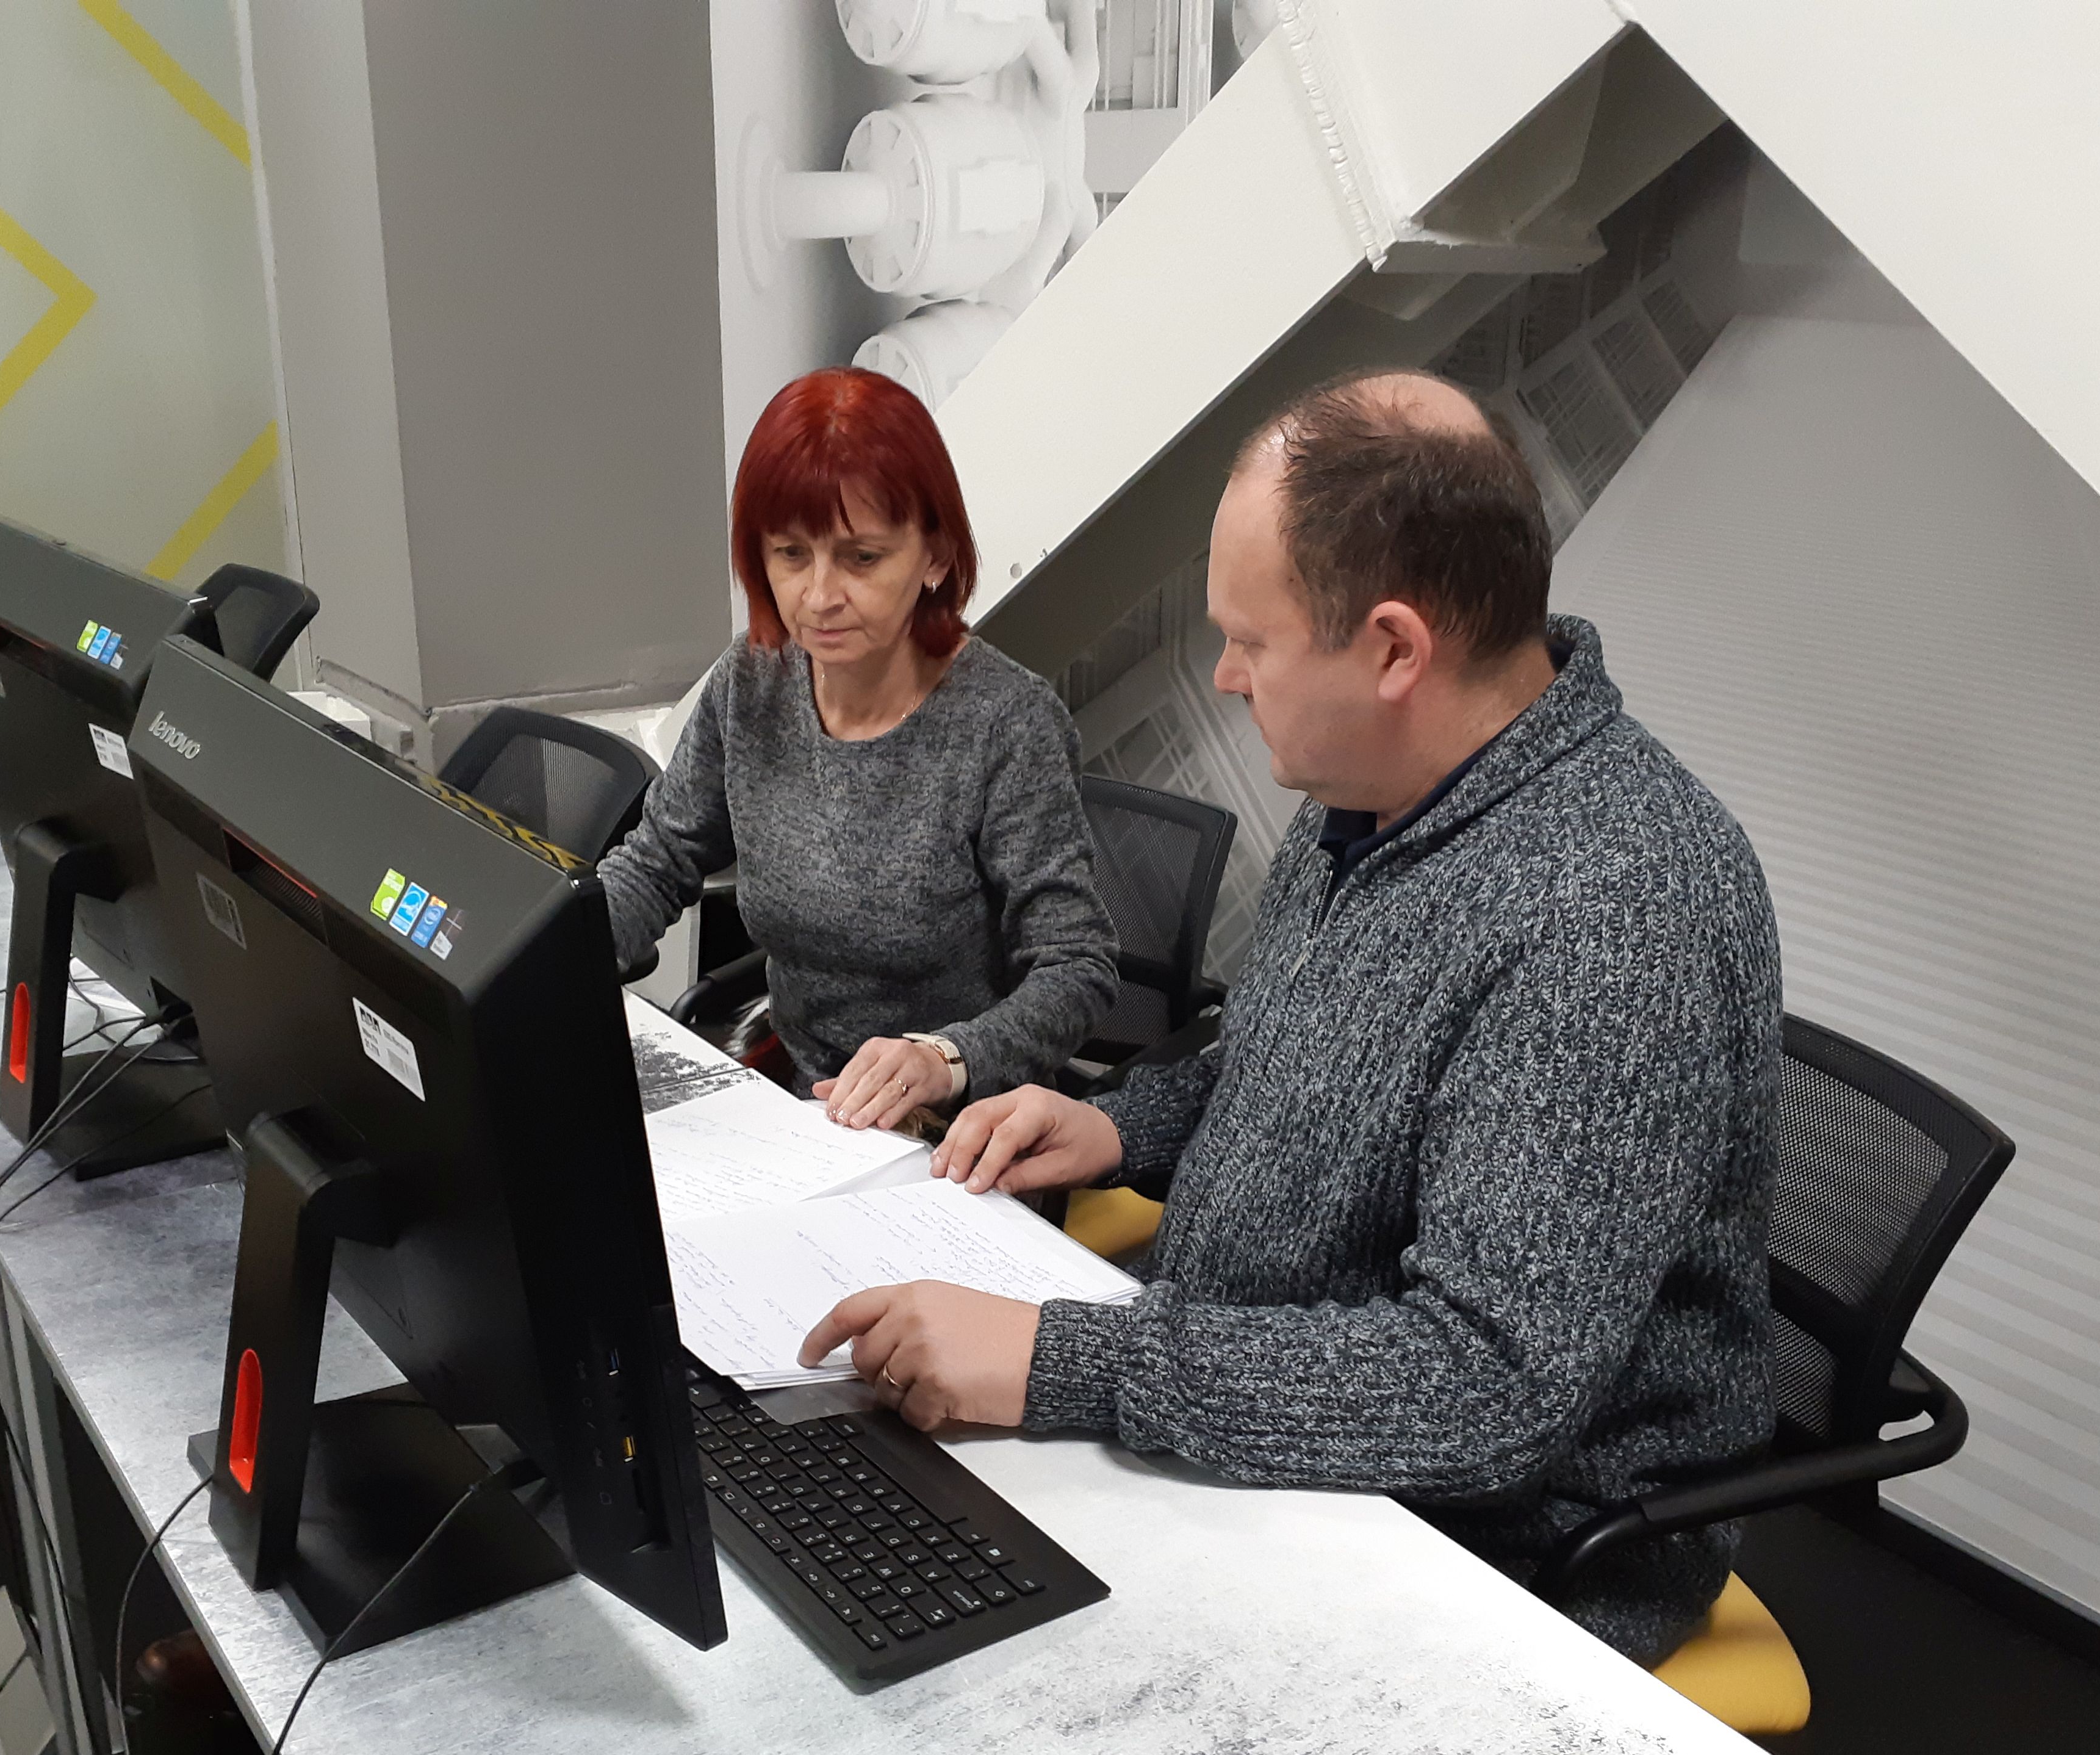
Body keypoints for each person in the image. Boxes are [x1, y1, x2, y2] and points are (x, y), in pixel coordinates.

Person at [801, 369, 1782, 1665]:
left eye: (1250, 643)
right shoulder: (1373, 783)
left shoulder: (1612, 911)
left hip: (1485, 1541)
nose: (1224, 676)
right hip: (1251, 1385)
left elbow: (1483, 1388)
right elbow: (1283, 1057)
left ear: (1392, 650)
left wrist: (1064, 1365)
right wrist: (1121, 1129)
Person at [600, 368, 1117, 1130]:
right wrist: (552, 959)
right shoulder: (752, 682)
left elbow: (1077, 966)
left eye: (862, 558)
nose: (819, 597)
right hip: (797, 1094)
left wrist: (945, 1058)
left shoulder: (1006, 724)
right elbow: (659, 860)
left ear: (935, 556)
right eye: (791, 554)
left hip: (956, 1126)